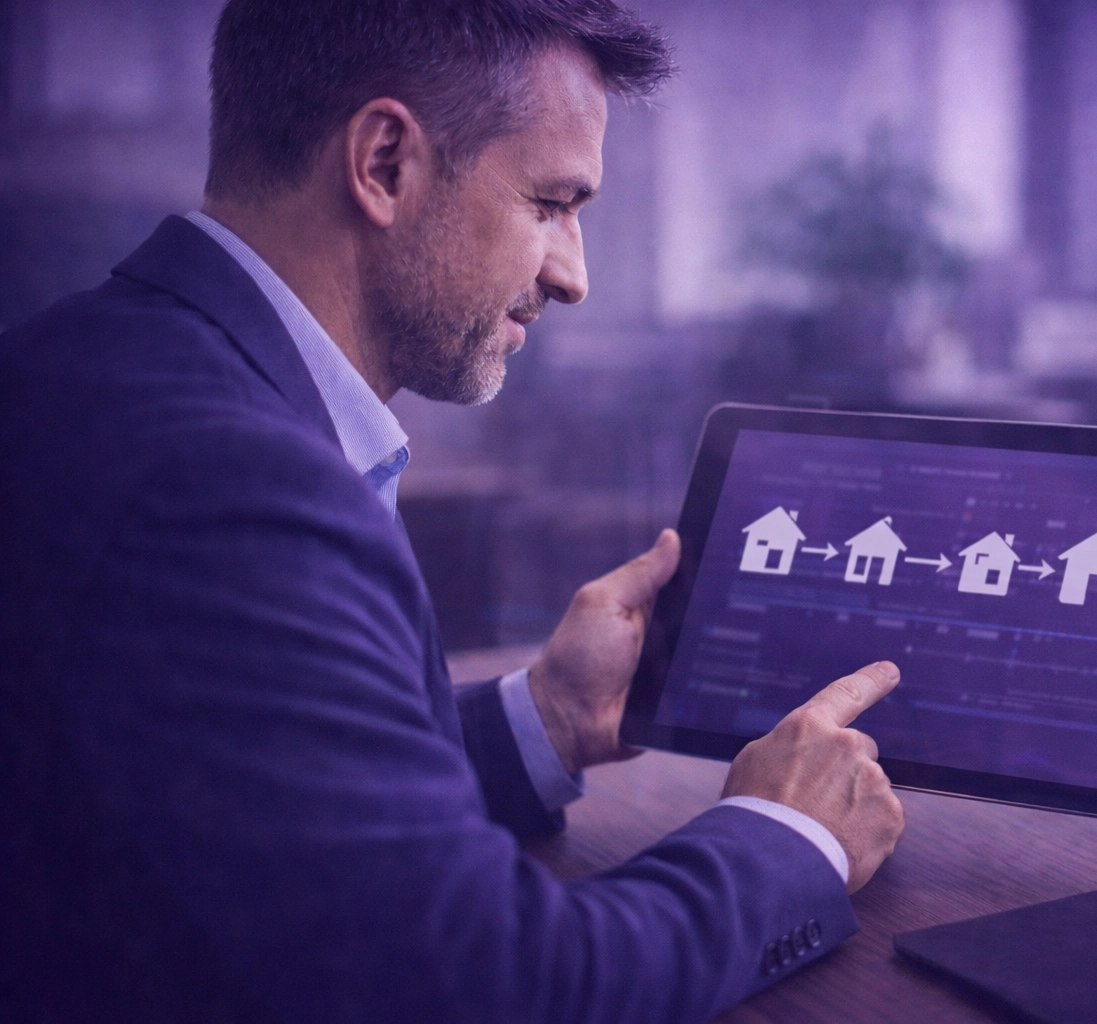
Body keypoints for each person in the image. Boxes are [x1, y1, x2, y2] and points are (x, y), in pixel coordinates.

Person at [0, 1, 906, 1021]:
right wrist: (787, 837)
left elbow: (266, 800)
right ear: (385, 162)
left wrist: (551, 717)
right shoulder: (231, 487)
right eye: (551, 202)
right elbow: (491, 987)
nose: (573, 274)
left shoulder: (86, 362)